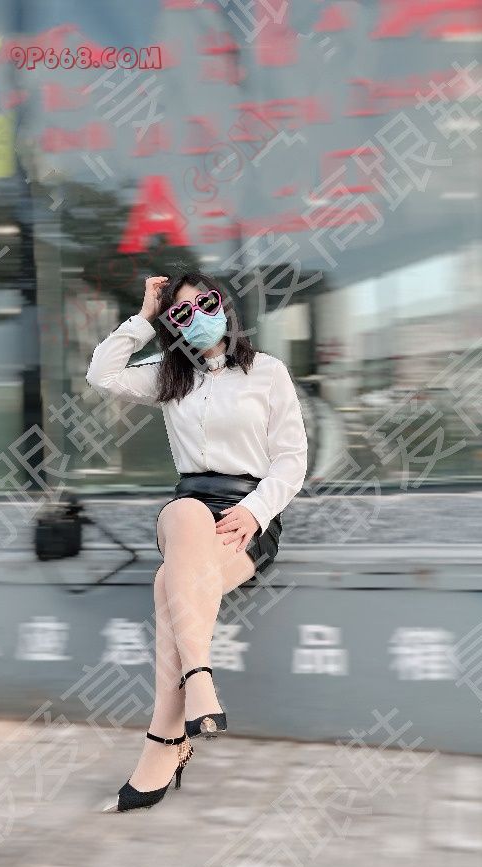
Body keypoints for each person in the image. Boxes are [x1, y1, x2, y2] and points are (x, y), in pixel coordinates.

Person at [86, 271, 308, 811]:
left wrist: (255, 511)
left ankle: (164, 742)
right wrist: (143, 317)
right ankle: (199, 676)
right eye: (180, 313)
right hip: (187, 510)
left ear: (221, 304)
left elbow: (291, 459)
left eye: (203, 304)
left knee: (170, 583)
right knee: (185, 512)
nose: (196, 317)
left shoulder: (267, 372)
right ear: (174, 326)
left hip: (244, 516)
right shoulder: (169, 376)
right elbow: (102, 373)